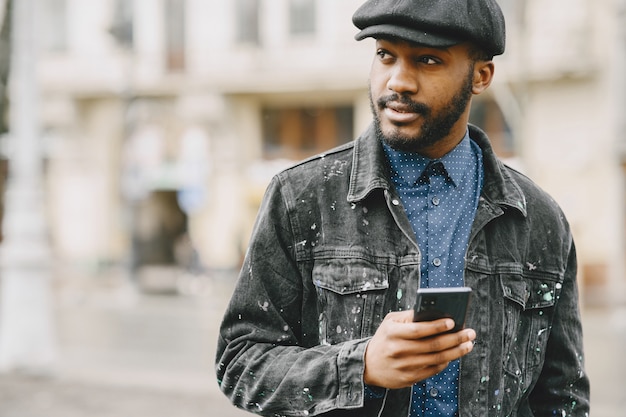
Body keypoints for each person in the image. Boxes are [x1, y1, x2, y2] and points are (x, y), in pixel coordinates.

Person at [215, 0, 591, 416]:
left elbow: (562, 398)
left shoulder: (539, 219)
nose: (398, 81)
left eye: (427, 60)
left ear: (480, 76)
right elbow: (239, 362)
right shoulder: (300, 197)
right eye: (385, 55)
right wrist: (361, 366)